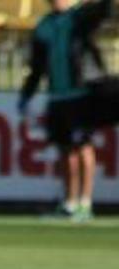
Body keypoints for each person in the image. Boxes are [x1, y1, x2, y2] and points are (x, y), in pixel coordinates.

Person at [19, 0, 114, 222]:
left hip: (80, 94)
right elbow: (37, 65)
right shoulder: (44, 25)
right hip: (57, 96)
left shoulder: (79, 16)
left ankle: (85, 202)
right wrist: (26, 94)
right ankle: (69, 202)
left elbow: (105, 11)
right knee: (64, 149)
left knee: (83, 146)